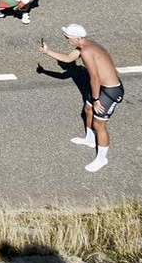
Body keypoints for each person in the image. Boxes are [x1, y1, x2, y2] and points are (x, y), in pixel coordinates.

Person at [40, 23, 122, 173]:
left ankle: (102, 159)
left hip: (111, 91)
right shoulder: (84, 46)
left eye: (68, 37)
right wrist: (48, 52)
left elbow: (95, 78)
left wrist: (96, 99)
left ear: (76, 38)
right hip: (102, 88)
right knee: (87, 109)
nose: (66, 40)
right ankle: (90, 140)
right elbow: (67, 58)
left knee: (100, 125)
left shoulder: (87, 52)